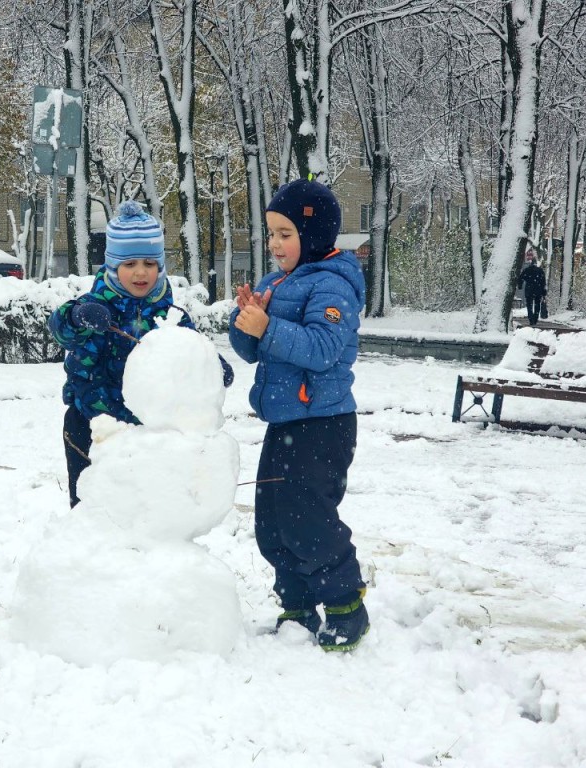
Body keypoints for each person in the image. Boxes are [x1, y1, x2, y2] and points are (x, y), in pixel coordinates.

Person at [229, 178, 368, 652]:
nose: (275, 244)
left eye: (285, 234)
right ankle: (297, 604)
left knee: (308, 517)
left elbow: (325, 349)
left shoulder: (334, 284)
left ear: (313, 235)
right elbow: (252, 351)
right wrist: (247, 321)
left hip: (323, 423)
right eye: (271, 233)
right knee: (271, 520)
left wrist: (269, 327)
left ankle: (346, 605)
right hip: (285, 422)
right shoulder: (275, 284)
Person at [49, 200, 234, 507]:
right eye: (130, 264)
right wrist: (77, 316)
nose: (140, 272)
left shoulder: (170, 317)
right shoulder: (93, 307)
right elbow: (61, 329)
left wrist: (211, 368)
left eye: (149, 264)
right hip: (91, 425)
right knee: (92, 508)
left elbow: (191, 350)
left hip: (148, 434)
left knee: (144, 511)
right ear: (112, 266)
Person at [517, 251, 547, 326]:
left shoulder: (527, 270)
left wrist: (520, 286)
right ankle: (535, 318)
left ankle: (531, 319)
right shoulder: (540, 271)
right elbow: (543, 282)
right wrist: (543, 292)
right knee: (537, 305)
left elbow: (521, 278)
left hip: (529, 290)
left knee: (529, 305)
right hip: (538, 290)